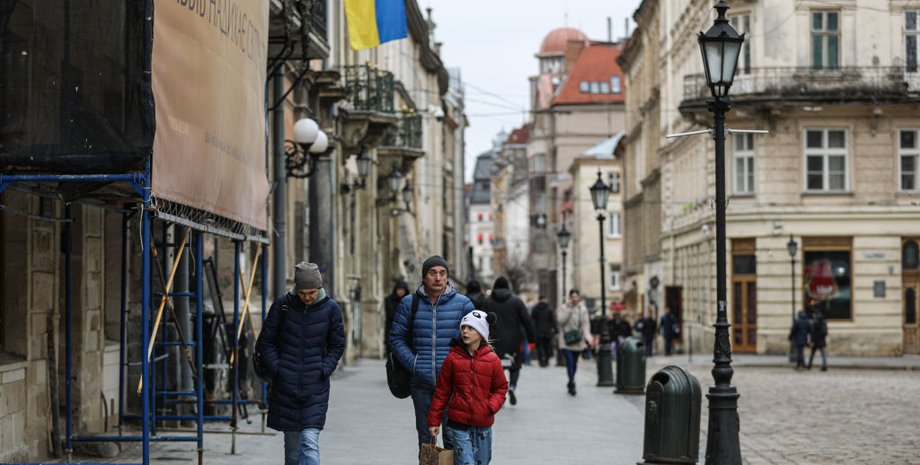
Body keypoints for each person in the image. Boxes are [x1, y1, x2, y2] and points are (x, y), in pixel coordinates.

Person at [256, 262, 345, 465]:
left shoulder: (331, 309)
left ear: (319, 288)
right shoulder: (283, 305)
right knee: (293, 449)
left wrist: (324, 369)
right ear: (296, 289)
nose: (307, 297)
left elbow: (337, 345)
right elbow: (266, 342)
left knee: (309, 443)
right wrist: (278, 369)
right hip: (286, 385)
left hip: (315, 386)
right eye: (303, 292)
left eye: (312, 292)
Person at [389, 255, 475, 452]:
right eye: (433, 273)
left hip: (454, 385)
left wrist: (460, 366)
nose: (438, 278)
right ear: (424, 277)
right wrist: (415, 364)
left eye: (442, 273)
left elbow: (476, 341)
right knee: (426, 441)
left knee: (454, 440)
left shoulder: (463, 305)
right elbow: (396, 338)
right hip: (422, 384)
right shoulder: (409, 303)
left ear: (447, 277)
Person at [428, 310, 508, 465]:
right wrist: (434, 421)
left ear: (481, 332)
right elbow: (442, 392)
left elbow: (501, 387)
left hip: (483, 424)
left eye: (470, 328)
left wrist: (490, 407)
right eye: (463, 327)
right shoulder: (452, 358)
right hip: (458, 424)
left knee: (482, 462)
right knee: (466, 462)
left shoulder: (492, 360)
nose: (465, 331)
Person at [484, 276, 536, 406]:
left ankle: (497, 395)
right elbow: (527, 321)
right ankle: (512, 386)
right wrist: (532, 340)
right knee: (515, 366)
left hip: (493, 341)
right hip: (514, 341)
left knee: (495, 368)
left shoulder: (487, 301)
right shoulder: (516, 301)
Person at [557, 289, 592, 396]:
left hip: (578, 341)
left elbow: (586, 325)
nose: (574, 299)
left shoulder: (583, 309)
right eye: (572, 297)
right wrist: (569, 310)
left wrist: (588, 338)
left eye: (576, 297)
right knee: (570, 362)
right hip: (566, 341)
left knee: (575, 363)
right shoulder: (564, 307)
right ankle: (572, 382)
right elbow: (560, 321)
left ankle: (570, 380)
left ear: (579, 298)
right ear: (569, 297)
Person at [383, 279, 410, 355]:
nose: (400, 292)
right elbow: (390, 313)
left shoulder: (409, 300)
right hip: (391, 329)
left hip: (405, 332)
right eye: (399, 289)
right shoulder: (389, 300)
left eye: (402, 290)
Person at [530, 295, 558, 368]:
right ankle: (546, 360)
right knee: (547, 347)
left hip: (538, 331)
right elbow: (553, 321)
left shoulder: (535, 309)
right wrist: (556, 330)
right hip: (547, 332)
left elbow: (531, 320)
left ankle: (541, 360)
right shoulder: (549, 309)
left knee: (539, 347)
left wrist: (532, 330)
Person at [808, 302, 829, 371]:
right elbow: (825, 330)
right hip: (822, 339)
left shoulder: (815, 319)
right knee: (823, 354)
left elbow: (813, 331)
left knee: (812, 354)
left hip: (816, 339)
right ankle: (824, 365)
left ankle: (809, 365)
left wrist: (812, 341)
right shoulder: (822, 319)